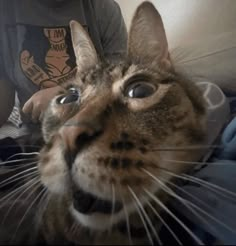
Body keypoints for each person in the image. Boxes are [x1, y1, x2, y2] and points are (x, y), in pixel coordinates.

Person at [0, 0, 127, 130]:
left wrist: (65, 96)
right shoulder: (5, 8)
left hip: (94, 127)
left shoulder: (103, 8)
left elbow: (119, 86)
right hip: (33, 132)